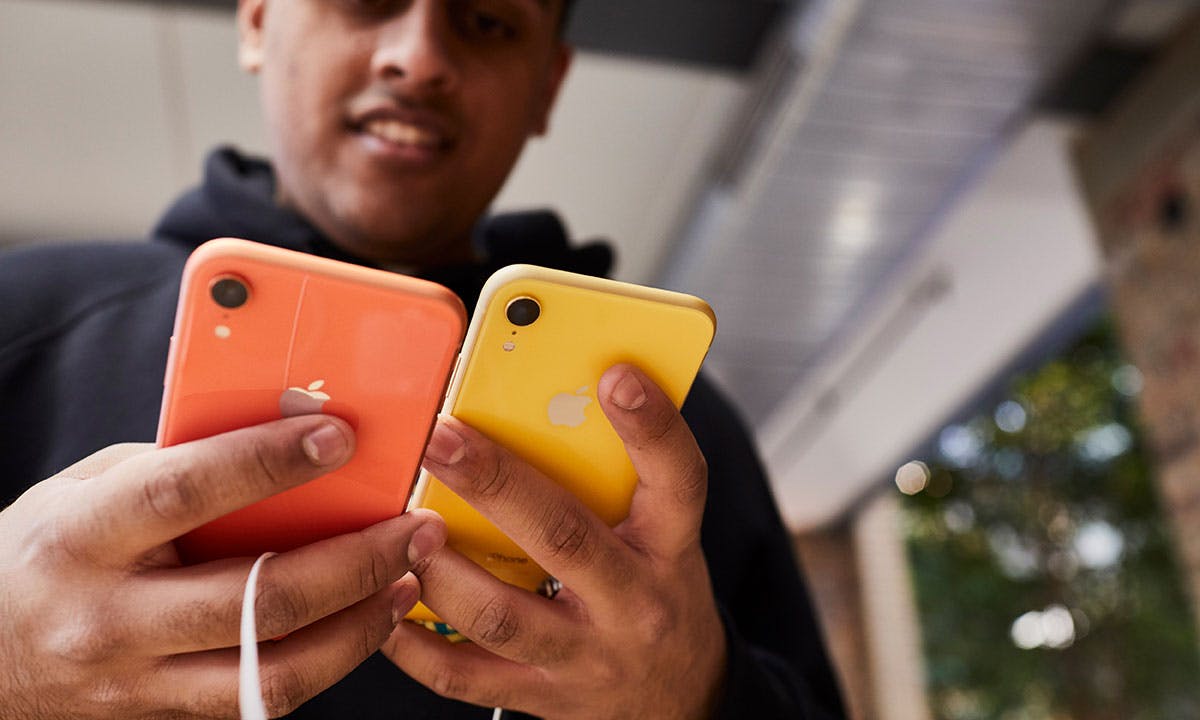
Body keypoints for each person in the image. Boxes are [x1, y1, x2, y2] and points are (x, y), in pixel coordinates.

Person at [0, 1, 846, 718]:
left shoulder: (675, 426)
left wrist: (697, 690)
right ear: (258, 21)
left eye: (486, 22)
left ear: (547, 85)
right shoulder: (21, 315)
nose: (420, 57)